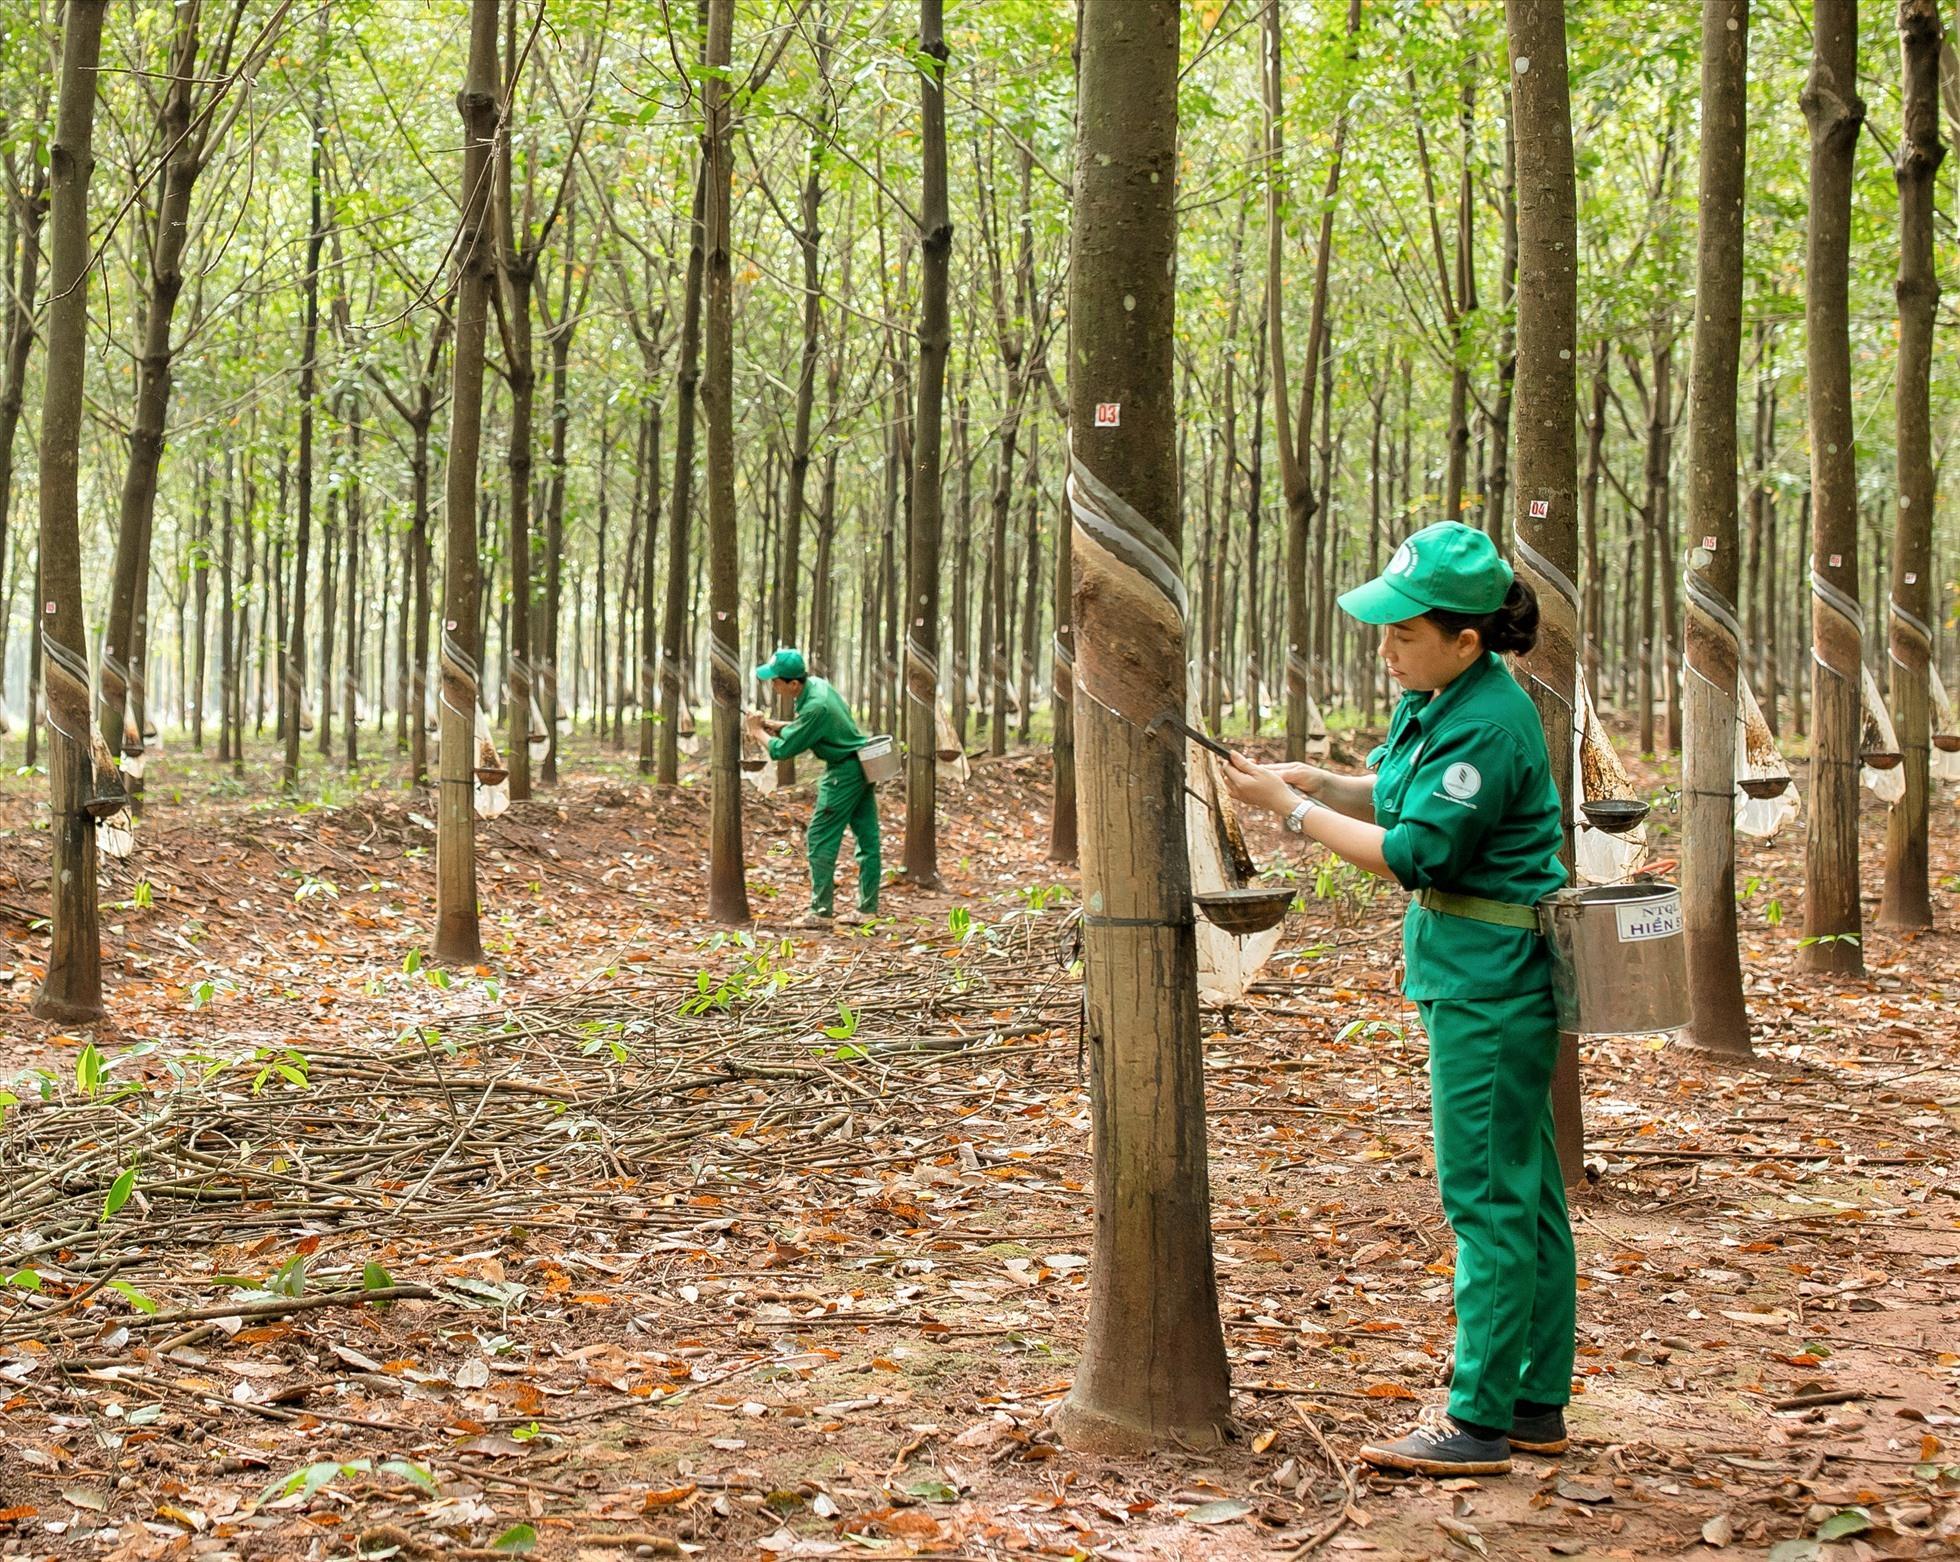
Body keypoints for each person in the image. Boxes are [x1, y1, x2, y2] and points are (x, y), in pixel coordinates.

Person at [1219, 521, 1576, 1478]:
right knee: (1528, 1194)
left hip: (1489, 986)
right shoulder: (1446, 696)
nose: (1384, 648)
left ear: (1466, 637)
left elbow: (1420, 852)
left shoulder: (1488, 723)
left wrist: (1293, 815)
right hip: (1472, 973)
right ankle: (1534, 1402)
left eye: (1403, 632)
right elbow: (1402, 794)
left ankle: (1478, 1420)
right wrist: (1321, 781)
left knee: (1488, 1198)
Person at [747, 648, 880, 929]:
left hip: (844, 773)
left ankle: (821, 912)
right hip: (861, 764)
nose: (772, 685)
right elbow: (811, 726)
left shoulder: (815, 706)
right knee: (867, 838)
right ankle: (867, 909)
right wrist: (777, 725)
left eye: (776, 681)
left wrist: (757, 731)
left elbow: (782, 751)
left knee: (819, 837)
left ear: (793, 684)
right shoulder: (818, 686)